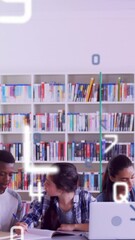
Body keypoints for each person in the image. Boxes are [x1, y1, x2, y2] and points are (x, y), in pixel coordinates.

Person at [15, 162, 95, 233]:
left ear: (62, 189)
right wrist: (22, 225)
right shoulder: (43, 198)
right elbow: (31, 217)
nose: (44, 185)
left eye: (48, 183)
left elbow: (99, 224)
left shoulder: (86, 198)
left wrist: (73, 226)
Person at [0, 150, 23, 231]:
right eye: (2, 174)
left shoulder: (16, 198)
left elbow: (15, 229)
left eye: (10, 175)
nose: (7, 179)